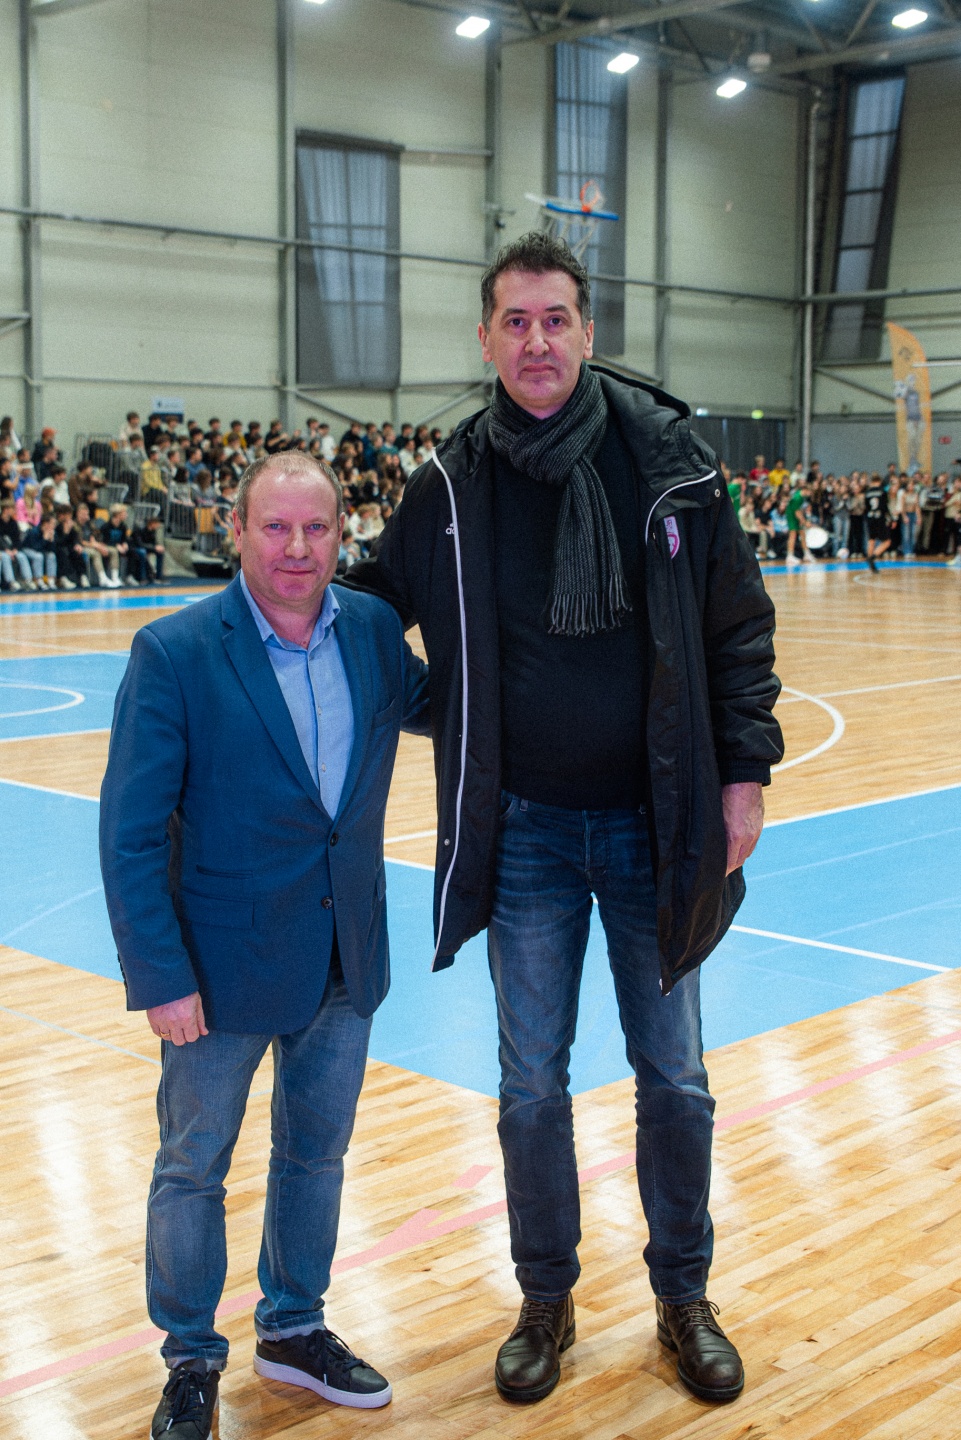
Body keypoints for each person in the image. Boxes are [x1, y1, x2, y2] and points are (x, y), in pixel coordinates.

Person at [345, 233, 783, 1407]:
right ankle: (545, 1300)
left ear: (588, 332)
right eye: (515, 322)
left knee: (674, 1076)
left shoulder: (670, 464)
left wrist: (743, 775)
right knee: (531, 1084)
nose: (536, 341)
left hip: (657, 823)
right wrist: (306, 607)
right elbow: (375, 605)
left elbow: (737, 626)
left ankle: (683, 1296)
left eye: (555, 320)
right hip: (526, 832)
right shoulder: (449, 487)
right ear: (485, 340)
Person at [100, 452, 429, 1438]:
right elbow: (129, 832)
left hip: (343, 955)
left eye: (315, 529)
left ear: (342, 535)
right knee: (193, 1165)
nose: (296, 549)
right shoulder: (175, 651)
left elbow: (459, 709)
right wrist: (160, 975)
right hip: (217, 970)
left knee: (315, 1155)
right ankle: (190, 1358)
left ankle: (292, 1327)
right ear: (236, 529)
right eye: (275, 527)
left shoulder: (371, 631)